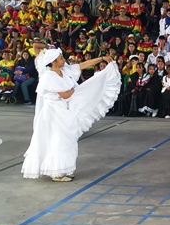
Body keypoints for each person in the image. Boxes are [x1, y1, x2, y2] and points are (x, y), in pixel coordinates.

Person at [22, 49, 121, 182]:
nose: (64, 59)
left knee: (68, 142)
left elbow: (82, 65)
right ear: (54, 62)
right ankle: (56, 172)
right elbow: (65, 94)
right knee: (58, 142)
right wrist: (84, 88)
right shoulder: (48, 77)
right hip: (54, 115)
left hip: (66, 112)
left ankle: (64, 169)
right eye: (61, 58)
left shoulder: (65, 71)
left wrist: (102, 58)